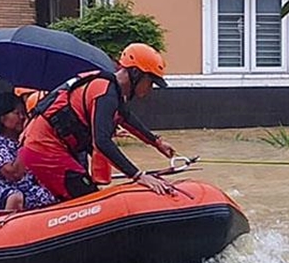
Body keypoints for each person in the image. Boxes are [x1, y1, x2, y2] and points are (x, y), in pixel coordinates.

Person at [19, 43, 177, 201]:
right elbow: (102, 141)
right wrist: (138, 176)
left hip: (51, 147)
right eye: (150, 82)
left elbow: (127, 118)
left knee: (86, 194)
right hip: (44, 149)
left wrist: (157, 142)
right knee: (87, 200)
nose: (150, 88)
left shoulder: (112, 90)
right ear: (135, 73)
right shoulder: (105, 93)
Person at [0, 92, 57, 212]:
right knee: (15, 198)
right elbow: (14, 174)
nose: (22, 117)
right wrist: (26, 142)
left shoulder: (18, 138)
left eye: (23, 113)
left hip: (23, 187)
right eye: (17, 113)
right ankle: (6, 228)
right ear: (2, 118)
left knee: (50, 195)